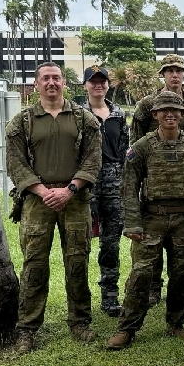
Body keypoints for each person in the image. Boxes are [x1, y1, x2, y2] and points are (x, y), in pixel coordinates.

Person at [5, 61, 102, 353]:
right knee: (34, 264)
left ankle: (80, 321)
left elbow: (93, 159)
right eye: (45, 78)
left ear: (64, 83)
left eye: (56, 78)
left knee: (77, 261)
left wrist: (70, 189)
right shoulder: (22, 121)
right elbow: (15, 163)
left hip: (75, 199)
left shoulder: (84, 118)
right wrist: (42, 191)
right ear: (36, 85)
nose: (51, 83)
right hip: (37, 201)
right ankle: (27, 328)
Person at [107, 91, 184, 349]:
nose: (170, 114)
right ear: (155, 114)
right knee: (141, 274)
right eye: (164, 110)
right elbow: (129, 187)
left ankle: (176, 323)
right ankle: (127, 328)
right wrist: (133, 223)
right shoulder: (142, 147)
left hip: (183, 220)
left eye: (175, 110)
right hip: (151, 218)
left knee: (180, 274)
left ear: (182, 114)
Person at [131, 53, 184, 307]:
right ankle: (153, 289)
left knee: (182, 250)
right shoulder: (147, 104)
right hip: (155, 177)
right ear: (162, 74)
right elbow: (136, 141)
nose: (175, 75)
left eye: (179, 70)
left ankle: (180, 296)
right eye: (169, 70)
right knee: (150, 245)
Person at [84, 65, 128, 317]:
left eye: (102, 81)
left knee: (111, 244)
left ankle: (110, 297)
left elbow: (124, 151)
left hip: (114, 183)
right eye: (93, 81)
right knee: (80, 244)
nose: (98, 85)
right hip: (86, 183)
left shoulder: (119, 115)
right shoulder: (78, 114)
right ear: (86, 86)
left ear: (108, 85)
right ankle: (80, 302)